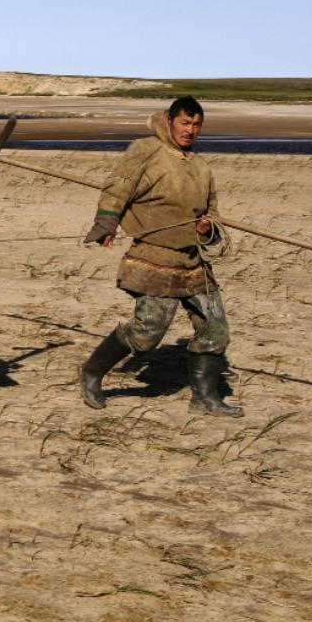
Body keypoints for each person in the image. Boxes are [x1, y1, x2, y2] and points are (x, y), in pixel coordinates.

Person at [79, 95, 242, 417]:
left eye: (197, 125)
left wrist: (208, 227)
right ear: (170, 121)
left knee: (215, 330)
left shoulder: (200, 165)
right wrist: (107, 223)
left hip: (193, 263)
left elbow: (212, 212)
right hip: (154, 257)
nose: (191, 130)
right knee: (145, 335)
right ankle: (92, 372)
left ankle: (205, 398)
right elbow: (117, 188)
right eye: (185, 123)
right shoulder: (145, 150)